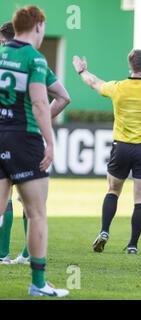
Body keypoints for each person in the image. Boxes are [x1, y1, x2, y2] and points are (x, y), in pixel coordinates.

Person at [0, 6, 69, 297]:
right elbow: (41, 104)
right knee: (37, 212)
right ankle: (38, 284)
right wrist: (49, 142)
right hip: (24, 139)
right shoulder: (35, 59)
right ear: (38, 26)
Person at [72, 49, 141, 254]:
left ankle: (105, 230)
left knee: (113, 190)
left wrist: (81, 72)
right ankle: (133, 245)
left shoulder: (118, 87)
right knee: (140, 198)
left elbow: (94, 83)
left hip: (121, 147)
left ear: (131, 66)